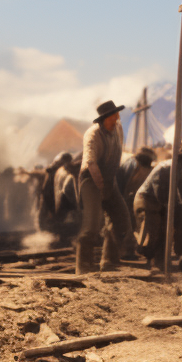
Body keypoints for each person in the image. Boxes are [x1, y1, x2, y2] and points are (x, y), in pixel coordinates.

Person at [77, 100, 133, 273]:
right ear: (106, 118)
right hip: (91, 180)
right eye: (114, 114)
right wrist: (101, 188)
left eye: (117, 114)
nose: (117, 117)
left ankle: (109, 260)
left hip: (110, 179)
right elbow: (91, 163)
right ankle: (83, 267)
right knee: (92, 225)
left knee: (122, 220)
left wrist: (109, 185)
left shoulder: (118, 129)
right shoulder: (92, 135)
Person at [134, 142, 182, 270]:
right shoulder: (167, 167)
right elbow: (158, 191)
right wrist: (169, 208)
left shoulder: (179, 169)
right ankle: (151, 259)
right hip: (147, 201)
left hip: (162, 203)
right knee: (154, 233)